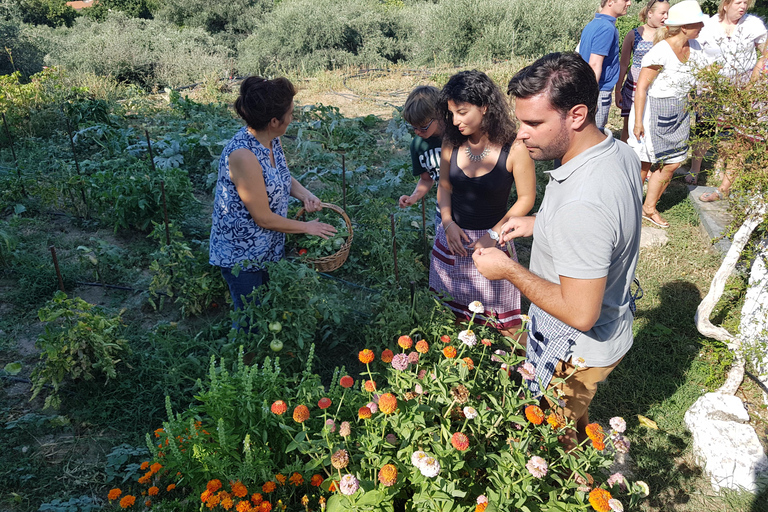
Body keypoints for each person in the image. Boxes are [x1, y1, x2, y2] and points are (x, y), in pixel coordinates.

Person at [473, 52, 642, 446]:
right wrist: (540, 225)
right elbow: (607, 230)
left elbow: (581, 313)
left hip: (575, 351)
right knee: (575, 413)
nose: (520, 134)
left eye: (534, 123)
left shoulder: (582, 205)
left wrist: (509, 271)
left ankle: (577, 487)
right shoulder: (616, 152)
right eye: (520, 121)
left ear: (577, 115)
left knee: (553, 435)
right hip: (611, 330)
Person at [209, 76, 336, 322]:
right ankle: (243, 357)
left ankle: (262, 356)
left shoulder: (270, 139)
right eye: (290, 113)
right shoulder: (243, 155)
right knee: (250, 320)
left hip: (266, 248)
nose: (292, 117)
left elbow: (283, 178)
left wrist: (305, 195)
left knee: (265, 311)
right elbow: (264, 218)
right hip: (242, 256)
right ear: (274, 121)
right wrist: (307, 227)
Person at [431, 70, 536, 337]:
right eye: (451, 113)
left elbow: (526, 198)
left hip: (492, 243)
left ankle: (521, 372)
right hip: (453, 241)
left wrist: (493, 234)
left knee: (505, 323)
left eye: (462, 112)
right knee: (452, 315)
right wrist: (447, 223)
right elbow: (444, 186)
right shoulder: (451, 143)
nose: (455, 121)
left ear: (485, 106)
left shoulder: (515, 148)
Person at [627, 0, 708, 228]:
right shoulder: (661, 50)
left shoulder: (696, 48)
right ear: (683, 26)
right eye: (697, 22)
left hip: (679, 113)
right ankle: (627, 208)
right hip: (653, 113)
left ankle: (648, 208)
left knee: (672, 163)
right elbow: (641, 87)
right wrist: (638, 123)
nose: (702, 25)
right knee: (643, 165)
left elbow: (696, 81)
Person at [693, 0, 768, 194]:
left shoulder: (753, 25)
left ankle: (720, 165)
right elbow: (694, 51)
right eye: (738, 2)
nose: (743, 6)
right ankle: (695, 169)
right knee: (704, 127)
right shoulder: (708, 26)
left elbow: (764, 53)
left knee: (731, 130)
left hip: (740, 89)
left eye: (746, 3)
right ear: (725, 5)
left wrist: (755, 83)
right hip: (710, 85)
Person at [615, 0, 670, 142]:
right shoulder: (633, 34)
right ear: (650, 14)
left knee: (652, 125)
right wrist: (617, 90)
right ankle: (624, 159)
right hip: (633, 88)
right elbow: (624, 64)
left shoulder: (668, 35)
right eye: (662, 13)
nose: (666, 17)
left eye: (668, 13)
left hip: (657, 88)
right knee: (628, 126)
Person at [577, 0, 633, 130]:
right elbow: (595, 64)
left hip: (588, 86)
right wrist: (592, 97)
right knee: (595, 132)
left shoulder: (594, 23)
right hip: (599, 89)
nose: (629, 3)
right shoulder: (606, 28)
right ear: (610, 1)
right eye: (625, 0)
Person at [398, 86, 444, 224]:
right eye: (414, 127)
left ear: (439, 115)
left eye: (423, 127)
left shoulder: (458, 136)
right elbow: (426, 179)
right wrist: (414, 196)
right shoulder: (418, 145)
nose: (417, 132)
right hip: (443, 211)